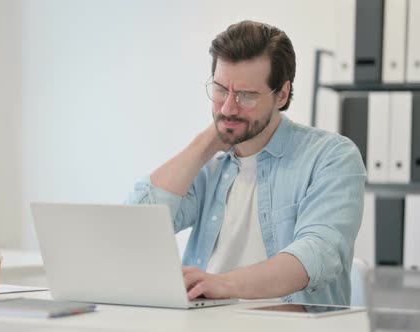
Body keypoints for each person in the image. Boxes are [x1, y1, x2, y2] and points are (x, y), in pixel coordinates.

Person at [127, 20, 366, 305]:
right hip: (204, 323)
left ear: (282, 94)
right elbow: (133, 231)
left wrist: (220, 284)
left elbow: (316, 254)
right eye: (220, 90)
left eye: (246, 96)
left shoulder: (331, 157)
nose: (228, 107)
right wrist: (205, 143)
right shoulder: (210, 165)